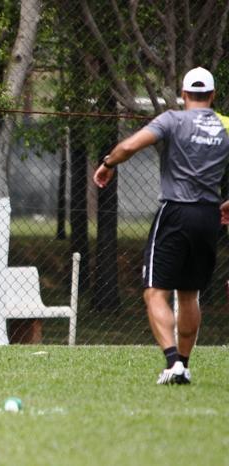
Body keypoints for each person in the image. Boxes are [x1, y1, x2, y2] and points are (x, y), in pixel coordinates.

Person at [93, 67, 229, 385]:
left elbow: (129, 147)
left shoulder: (172, 120)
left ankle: (172, 363)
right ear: (212, 96)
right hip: (209, 217)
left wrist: (107, 164)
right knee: (189, 294)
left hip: (175, 213)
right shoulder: (225, 125)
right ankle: (183, 362)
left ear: (183, 95)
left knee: (155, 292)